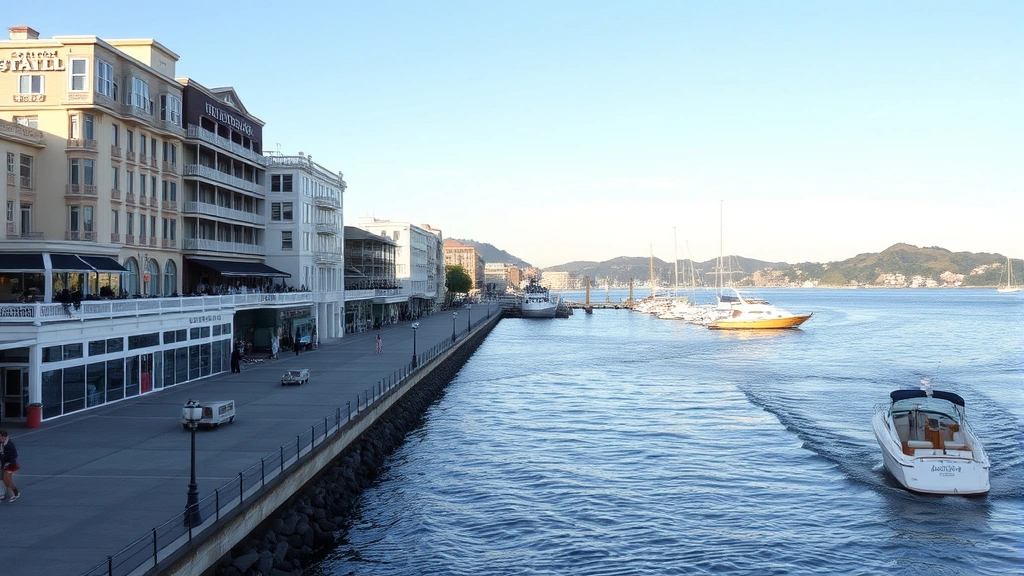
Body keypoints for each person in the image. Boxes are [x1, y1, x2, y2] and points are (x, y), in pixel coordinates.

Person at [0, 430, 20, 503]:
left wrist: (8, 462)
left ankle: (15, 493)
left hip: (9, 465)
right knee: (5, 480)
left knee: (7, 481)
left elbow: (14, 455)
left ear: (3, 437)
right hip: (4, 464)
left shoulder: (9, 445)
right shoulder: (2, 444)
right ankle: (10, 494)